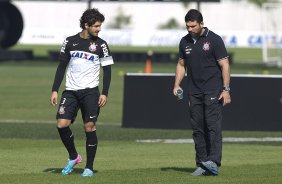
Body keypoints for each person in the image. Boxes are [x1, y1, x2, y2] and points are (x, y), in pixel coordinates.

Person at [50, 8, 113, 177]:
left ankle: (89, 167)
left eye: (100, 26)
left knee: (89, 127)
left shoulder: (101, 45)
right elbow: (61, 66)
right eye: (96, 26)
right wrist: (55, 89)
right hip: (70, 91)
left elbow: (107, 71)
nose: (99, 29)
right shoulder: (69, 42)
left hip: (91, 92)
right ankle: (74, 156)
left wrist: (104, 93)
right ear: (86, 25)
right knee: (61, 124)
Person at [173, 9, 231, 176]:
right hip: (194, 91)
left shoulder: (214, 39)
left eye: (193, 26)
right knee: (197, 128)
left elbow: (225, 65)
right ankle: (202, 163)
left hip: (213, 89)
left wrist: (226, 89)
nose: (190, 29)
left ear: (201, 23)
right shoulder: (184, 42)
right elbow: (181, 65)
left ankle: (213, 162)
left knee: (212, 126)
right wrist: (177, 84)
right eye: (187, 26)